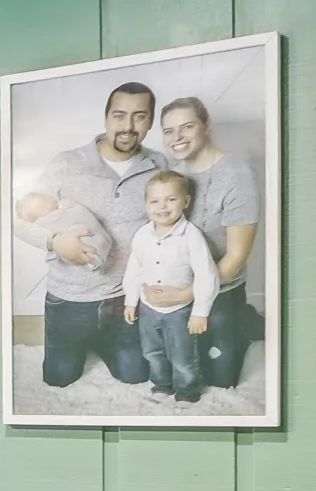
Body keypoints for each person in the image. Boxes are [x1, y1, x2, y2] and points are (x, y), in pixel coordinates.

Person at [14, 81, 157, 389]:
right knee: (58, 380)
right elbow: (17, 219)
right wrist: (54, 242)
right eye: (119, 115)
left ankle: (105, 339)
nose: (128, 126)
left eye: (139, 116)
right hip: (70, 299)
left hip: (125, 298)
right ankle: (84, 339)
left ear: (151, 121)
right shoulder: (67, 162)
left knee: (135, 375)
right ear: (106, 118)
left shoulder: (159, 166)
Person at [147, 96, 261, 390]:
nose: (177, 137)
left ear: (207, 126)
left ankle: (243, 321)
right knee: (170, 368)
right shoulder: (172, 176)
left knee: (220, 380)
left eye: (187, 127)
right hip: (180, 284)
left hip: (221, 288)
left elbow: (237, 255)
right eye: (169, 131)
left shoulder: (236, 174)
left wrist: (187, 295)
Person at [122, 170, 218, 402]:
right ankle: (162, 385)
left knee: (182, 356)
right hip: (148, 308)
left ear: (186, 201)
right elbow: (134, 269)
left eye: (171, 199)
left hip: (179, 311)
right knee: (152, 352)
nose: (162, 207)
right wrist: (130, 301)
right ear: (146, 204)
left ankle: (187, 392)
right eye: (154, 201)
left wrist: (200, 312)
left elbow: (206, 274)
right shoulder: (142, 234)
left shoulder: (191, 236)